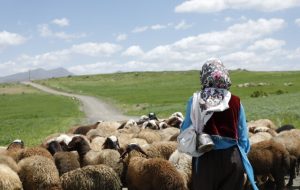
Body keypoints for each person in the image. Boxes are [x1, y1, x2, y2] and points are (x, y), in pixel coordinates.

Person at [180, 58, 258, 190]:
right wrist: (240, 157)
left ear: (204, 76)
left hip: (205, 158)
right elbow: (243, 137)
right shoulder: (235, 101)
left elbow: (185, 129)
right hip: (232, 159)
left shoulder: (194, 100)